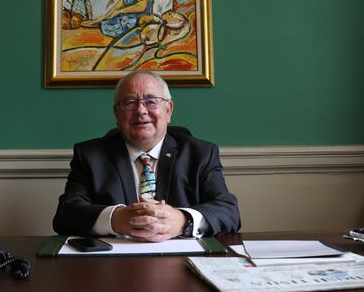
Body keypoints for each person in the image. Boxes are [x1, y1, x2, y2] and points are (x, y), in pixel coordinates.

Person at [53, 71, 240, 241]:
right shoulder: (90, 156)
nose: (141, 110)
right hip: (111, 266)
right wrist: (115, 219)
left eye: (151, 101)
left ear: (169, 110)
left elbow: (228, 211)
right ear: (116, 113)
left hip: (183, 264)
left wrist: (183, 221)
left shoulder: (201, 154)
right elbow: (65, 215)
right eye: (129, 102)